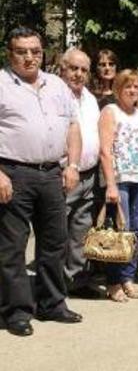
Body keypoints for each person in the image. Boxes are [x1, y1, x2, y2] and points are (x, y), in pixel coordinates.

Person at [0, 28, 84, 336]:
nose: (29, 57)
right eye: (22, 51)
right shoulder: (1, 84)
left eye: (35, 51)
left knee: (54, 242)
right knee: (12, 247)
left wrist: (72, 164)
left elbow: (73, 126)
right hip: (13, 174)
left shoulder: (57, 85)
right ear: (11, 54)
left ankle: (52, 304)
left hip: (52, 173)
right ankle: (17, 311)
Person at [98, 69, 138, 303]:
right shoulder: (110, 111)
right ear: (117, 89)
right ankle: (113, 282)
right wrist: (111, 185)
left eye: (136, 87)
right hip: (120, 179)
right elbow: (105, 151)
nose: (132, 90)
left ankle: (128, 278)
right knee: (119, 232)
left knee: (135, 232)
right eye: (127, 86)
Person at [60, 49, 103, 299]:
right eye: (73, 68)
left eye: (84, 70)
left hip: (89, 174)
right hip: (65, 173)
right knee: (56, 232)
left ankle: (76, 280)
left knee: (81, 230)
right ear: (63, 68)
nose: (79, 74)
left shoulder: (88, 97)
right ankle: (52, 285)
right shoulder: (54, 94)